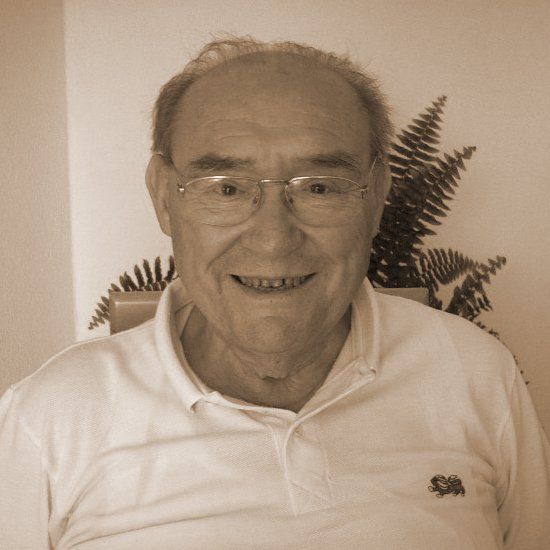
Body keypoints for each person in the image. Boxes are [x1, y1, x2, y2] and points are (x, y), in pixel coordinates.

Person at [1, 37, 549, 549]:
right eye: (227, 188)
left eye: (319, 188)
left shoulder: (475, 373)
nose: (273, 240)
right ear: (165, 198)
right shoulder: (50, 417)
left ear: (377, 196)